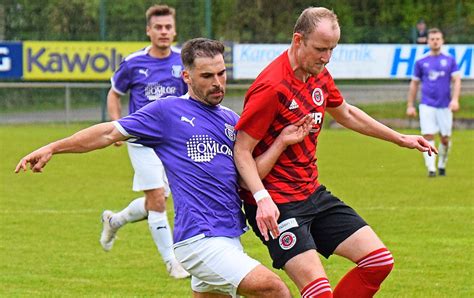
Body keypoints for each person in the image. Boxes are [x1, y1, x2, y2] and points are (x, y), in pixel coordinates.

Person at [15, 38, 314, 297]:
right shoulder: (167, 112)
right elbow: (108, 132)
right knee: (274, 290)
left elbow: (248, 179)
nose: (217, 83)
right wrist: (54, 147)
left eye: (221, 73)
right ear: (186, 76)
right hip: (200, 240)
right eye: (207, 75)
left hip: (229, 236)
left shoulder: (230, 120)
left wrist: (281, 143)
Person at [233, 7, 437, 298]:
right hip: (277, 204)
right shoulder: (271, 87)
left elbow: (347, 113)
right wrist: (262, 199)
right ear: (297, 40)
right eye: (320, 49)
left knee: (378, 262)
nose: (326, 58)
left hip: (312, 193)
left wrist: (400, 138)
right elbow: (242, 151)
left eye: (332, 49)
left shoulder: (319, 74)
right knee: (318, 292)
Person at [102, 4, 189, 278]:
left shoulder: (182, 62)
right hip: (141, 140)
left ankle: (114, 220)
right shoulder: (133, 63)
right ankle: (172, 262)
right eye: (158, 27)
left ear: (174, 31)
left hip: (173, 142)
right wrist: (116, 127)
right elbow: (114, 94)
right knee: (158, 200)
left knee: (156, 201)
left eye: (168, 27)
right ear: (148, 31)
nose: (163, 32)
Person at [407, 28, 461, 177]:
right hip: (427, 105)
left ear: (442, 41)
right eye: (432, 39)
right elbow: (414, 83)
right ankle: (431, 168)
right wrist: (410, 105)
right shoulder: (421, 61)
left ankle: (442, 164)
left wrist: (455, 99)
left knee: (444, 139)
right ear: (428, 41)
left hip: (444, 105)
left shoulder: (450, 60)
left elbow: (456, 80)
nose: (435, 41)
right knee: (428, 136)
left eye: (438, 38)